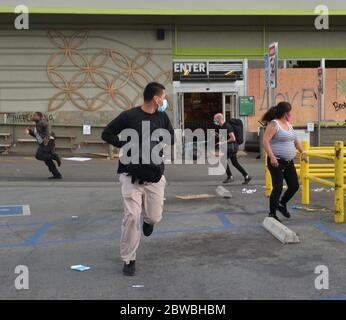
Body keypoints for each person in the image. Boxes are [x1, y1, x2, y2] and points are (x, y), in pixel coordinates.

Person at [102, 82, 174, 276]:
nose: (165, 100)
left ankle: (149, 222)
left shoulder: (162, 117)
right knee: (132, 216)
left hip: (154, 176)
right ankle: (129, 259)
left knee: (154, 216)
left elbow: (172, 138)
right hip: (130, 174)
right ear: (156, 98)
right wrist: (125, 142)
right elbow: (106, 133)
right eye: (164, 97)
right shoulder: (129, 116)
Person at [262, 102, 307, 222]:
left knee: (294, 186)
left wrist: (302, 152)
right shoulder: (274, 124)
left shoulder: (288, 124)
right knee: (277, 187)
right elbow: (265, 142)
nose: (290, 114)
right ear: (285, 113)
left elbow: (296, 141)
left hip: (288, 162)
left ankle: (281, 204)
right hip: (276, 161)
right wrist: (272, 157)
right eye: (289, 112)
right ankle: (272, 213)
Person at [213, 113, 251, 185]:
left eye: (214, 119)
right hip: (230, 147)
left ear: (219, 119)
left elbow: (233, 138)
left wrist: (223, 142)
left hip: (232, 147)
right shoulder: (221, 127)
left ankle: (230, 176)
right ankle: (247, 176)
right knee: (235, 163)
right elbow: (224, 137)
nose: (214, 120)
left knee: (222, 160)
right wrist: (217, 136)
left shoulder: (227, 126)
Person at [27, 112, 62, 179]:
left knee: (39, 155)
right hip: (45, 142)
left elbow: (47, 127)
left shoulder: (41, 122)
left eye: (35, 115)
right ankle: (57, 174)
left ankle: (55, 156)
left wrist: (47, 137)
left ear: (39, 117)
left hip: (48, 142)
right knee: (47, 160)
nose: (33, 116)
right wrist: (30, 131)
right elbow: (36, 136)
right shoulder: (37, 125)